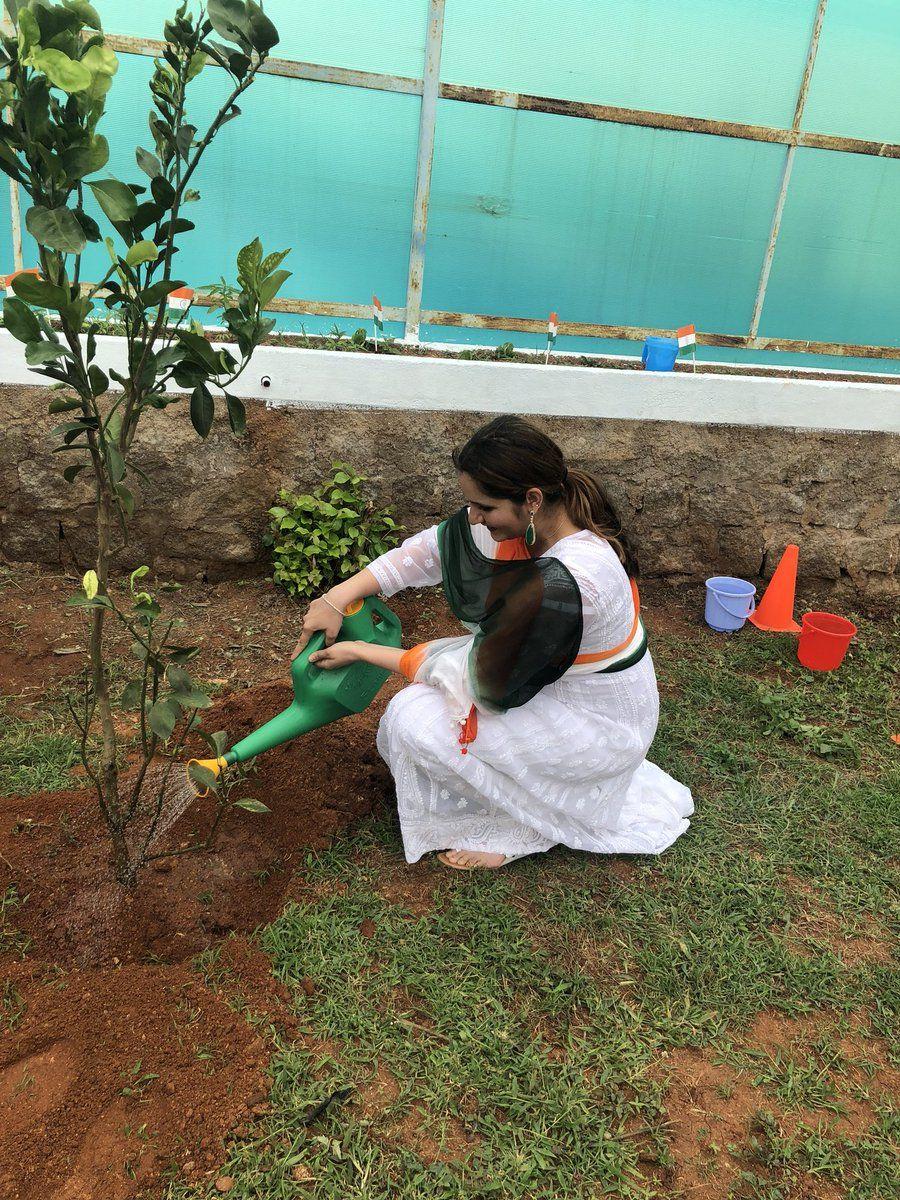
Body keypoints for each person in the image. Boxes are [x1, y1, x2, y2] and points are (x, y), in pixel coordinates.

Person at [291, 416, 693, 870]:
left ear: (532, 500)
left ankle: (525, 825)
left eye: (483, 506)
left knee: (413, 722)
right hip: (547, 683)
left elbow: (482, 682)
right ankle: (526, 797)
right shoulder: (528, 522)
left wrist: (364, 651)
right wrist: (336, 596)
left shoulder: (575, 580)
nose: (473, 517)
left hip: (596, 725)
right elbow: (424, 554)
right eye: (471, 504)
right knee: (419, 712)